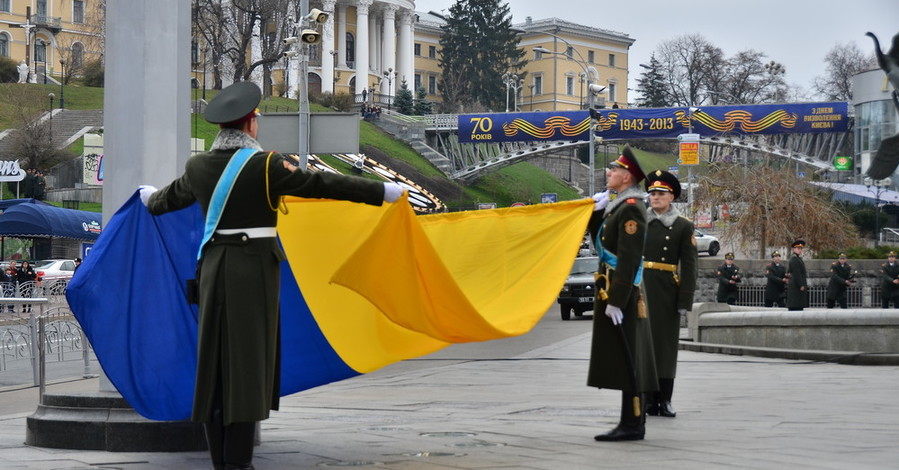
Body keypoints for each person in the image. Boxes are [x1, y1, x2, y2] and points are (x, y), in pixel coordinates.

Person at [141, 81, 404, 470]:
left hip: (213, 273)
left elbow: (163, 201)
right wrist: (381, 191)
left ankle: (221, 462)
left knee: (214, 368)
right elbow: (322, 184)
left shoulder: (198, 167)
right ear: (249, 125)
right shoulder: (265, 166)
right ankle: (239, 464)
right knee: (247, 367)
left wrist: (146, 195)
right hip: (252, 275)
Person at [586, 146, 657, 441]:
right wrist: (596, 213)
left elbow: (629, 258)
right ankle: (628, 421)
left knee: (631, 359)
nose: (608, 173)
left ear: (626, 176)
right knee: (623, 357)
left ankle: (633, 423)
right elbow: (603, 241)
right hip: (615, 289)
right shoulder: (619, 205)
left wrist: (617, 300)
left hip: (623, 294)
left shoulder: (630, 207)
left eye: (613, 170)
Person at [642, 170, 697, 419]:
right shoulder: (638, 221)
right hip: (641, 290)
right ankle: (646, 400)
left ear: (671, 196)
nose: (655, 197)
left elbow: (690, 265)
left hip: (666, 291)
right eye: (652, 193)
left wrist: (684, 300)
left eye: (661, 193)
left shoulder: (683, 226)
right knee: (643, 347)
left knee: (664, 348)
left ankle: (664, 400)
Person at [786, 240, 808, 311]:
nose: (800, 250)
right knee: (796, 304)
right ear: (793, 249)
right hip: (796, 285)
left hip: (797, 284)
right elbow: (797, 273)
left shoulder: (797, 259)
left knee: (799, 304)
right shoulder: (794, 259)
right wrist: (800, 284)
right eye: (798, 248)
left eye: (801, 249)